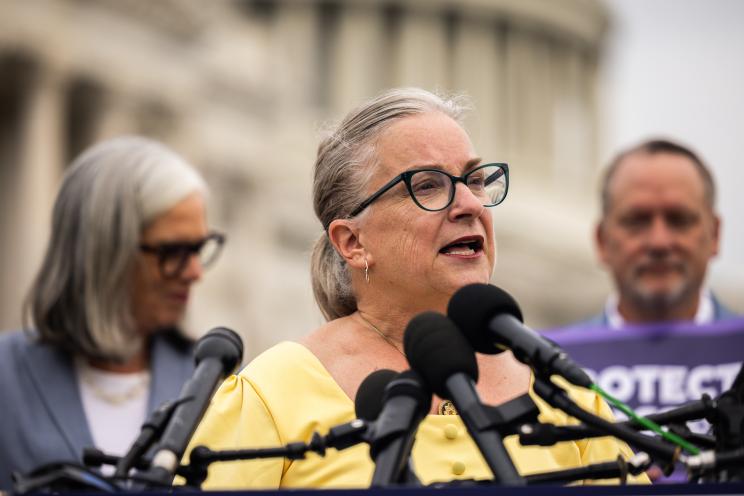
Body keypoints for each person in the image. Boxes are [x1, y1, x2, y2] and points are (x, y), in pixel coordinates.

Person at [187, 88, 647, 488]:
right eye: (427, 185)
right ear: (352, 242)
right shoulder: (274, 392)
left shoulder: (560, 390)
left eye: (475, 179)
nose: (469, 204)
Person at [0, 136, 225, 489]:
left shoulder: (220, 387)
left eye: (200, 248)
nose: (196, 271)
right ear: (103, 251)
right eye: (175, 251)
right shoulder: (6, 379)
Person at [589, 139, 735, 327]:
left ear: (714, 235)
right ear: (602, 241)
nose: (659, 242)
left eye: (679, 220)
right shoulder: (552, 356)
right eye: (636, 221)